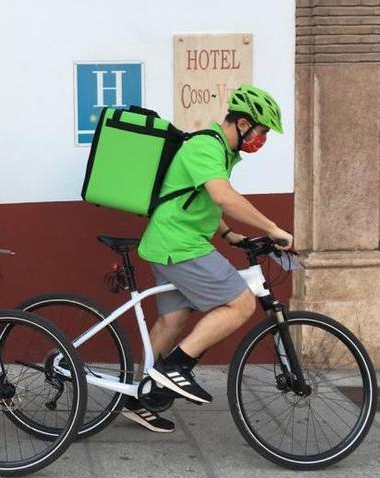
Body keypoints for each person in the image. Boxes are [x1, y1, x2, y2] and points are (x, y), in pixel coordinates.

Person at [120, 84, 294, 433]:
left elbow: (201, 200)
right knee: (241, 304)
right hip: (179, 244)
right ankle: (175, 368)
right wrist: (273, 227)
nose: (262, 139)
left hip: (171, 242)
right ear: (243, 123)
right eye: (261, 131)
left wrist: (228, 234)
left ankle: (137, 398)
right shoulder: (205, 145)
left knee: (172, 322)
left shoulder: (221, 152)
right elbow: (222, 195)